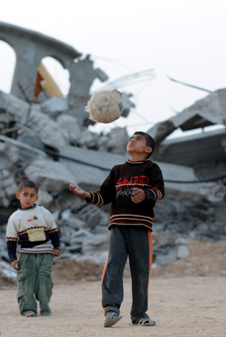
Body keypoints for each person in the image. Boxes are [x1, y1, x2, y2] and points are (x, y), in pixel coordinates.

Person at [69, 131, 164, 328]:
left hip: (140, 225)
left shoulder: (151, 168)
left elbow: (159, 191)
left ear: (148, 149)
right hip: (118, 225)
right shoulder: (117, 170)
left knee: (141, 270)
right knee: (113, 265)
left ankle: (139, 314)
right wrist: (85, 194)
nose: (133, 140)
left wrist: (146, 194)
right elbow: (103, 196)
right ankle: (111, 310)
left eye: (138, 139)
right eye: (132, 138)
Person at [6, 179, 61, 317]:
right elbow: (11, 241)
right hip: (26, 255)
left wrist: (57, 247)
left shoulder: (44, 213)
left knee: (45, 281)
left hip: (45, 255)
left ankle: (44, 305)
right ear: (18, 195)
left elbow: (54, 231)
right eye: (25, 194)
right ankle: (28, 308)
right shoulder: (15, 218)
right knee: (26, 282)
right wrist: (13, 259)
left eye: (32, 195)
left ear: (37, 197)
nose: (28, 198)